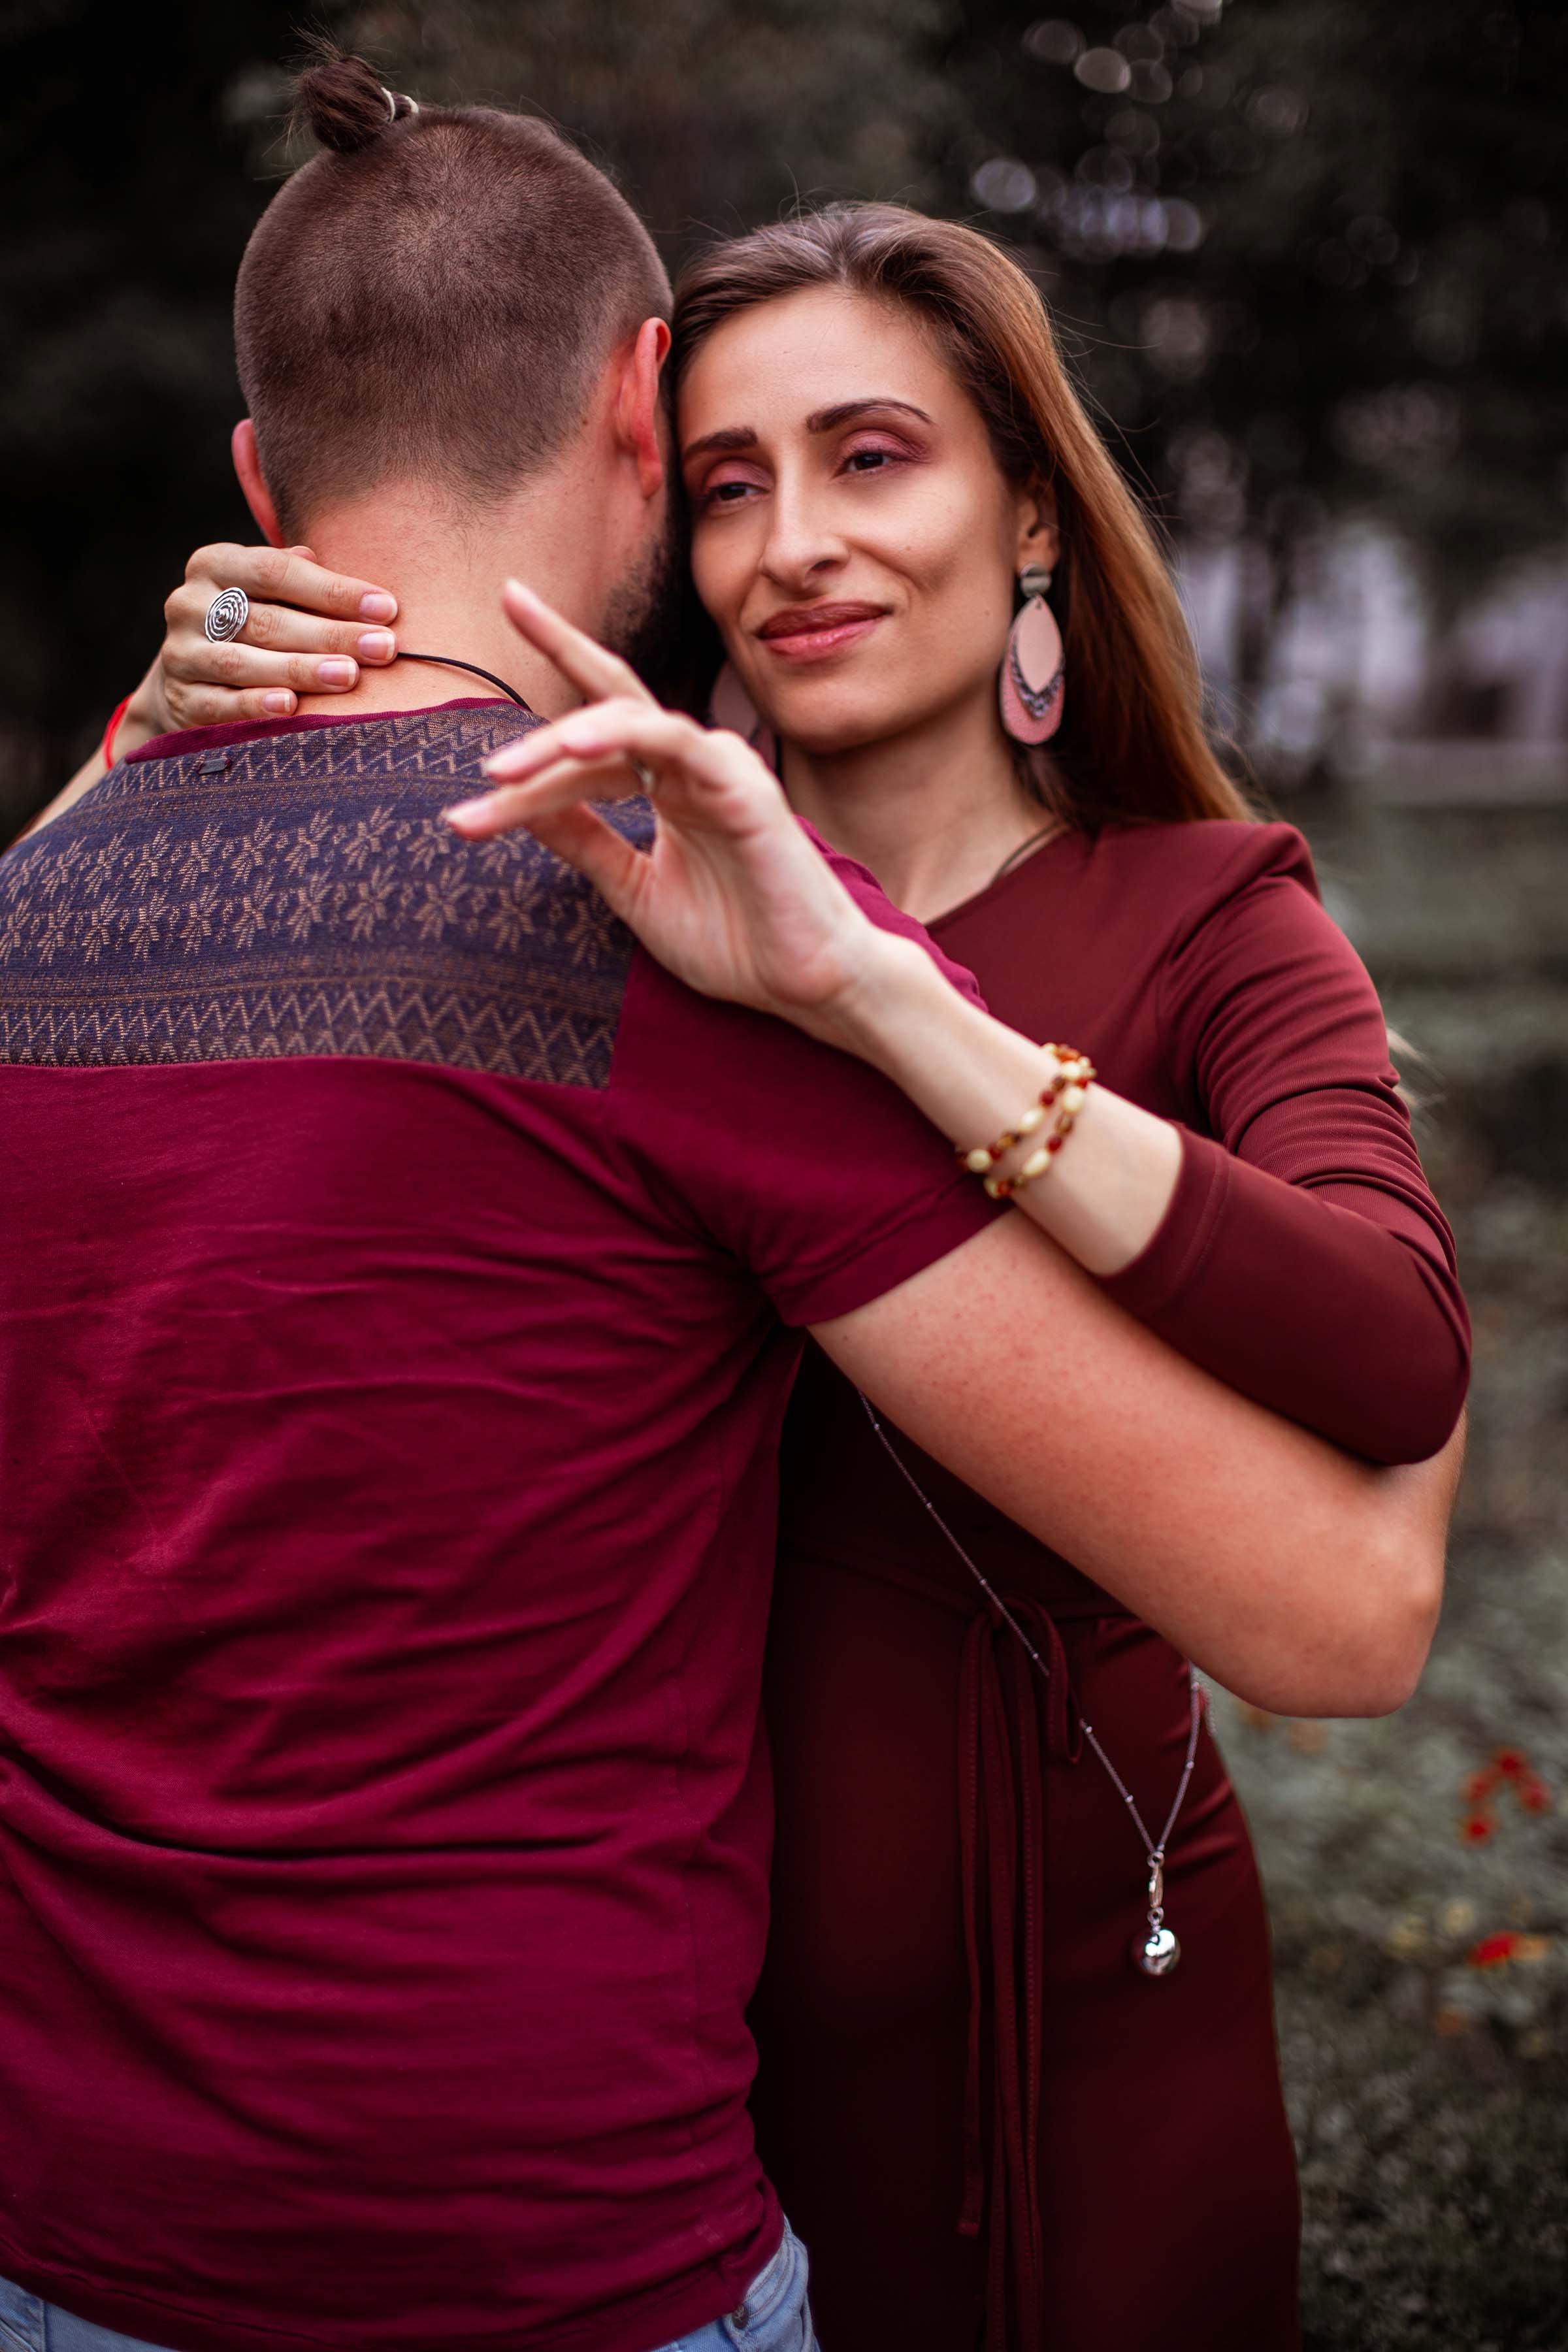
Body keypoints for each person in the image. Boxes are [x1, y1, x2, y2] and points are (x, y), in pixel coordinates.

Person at [14, 72, 1462, 2352]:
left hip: (970, 2060)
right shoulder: (649, 914)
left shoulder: (1135, 925)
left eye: (873, 458)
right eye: (724, 480)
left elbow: (1364, 1521)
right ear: (637, 435)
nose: (792, 544)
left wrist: (881, 1002)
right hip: (586, 2183)